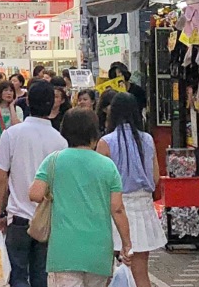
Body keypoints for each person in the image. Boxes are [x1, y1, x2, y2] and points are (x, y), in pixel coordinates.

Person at [30, 108, 131, 287]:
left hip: (63, 252)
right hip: (98, 252)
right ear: (94, 133)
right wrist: (126, 244)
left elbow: (35, 194)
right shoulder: (108, 166)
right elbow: (117, 209)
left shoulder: (53, 160)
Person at [0, 81, 67, 287]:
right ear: (52, 104)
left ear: (28, 101)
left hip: (17, 217)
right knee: (41, 276)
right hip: (47, 220)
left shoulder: (12, 134)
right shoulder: (60, 141)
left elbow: (0, 179)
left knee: (18, 275)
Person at [98, 93, 165, 287]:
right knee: (141, 274)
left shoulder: (106, 142)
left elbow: (99, 181)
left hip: (115, 210)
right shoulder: (147, 139)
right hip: (143, 208)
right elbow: (155, 177)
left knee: (107, 274)